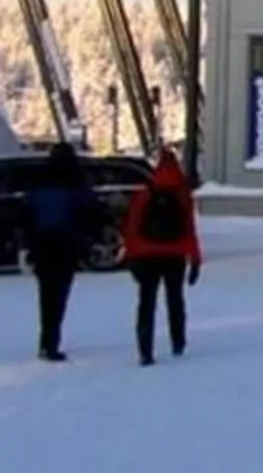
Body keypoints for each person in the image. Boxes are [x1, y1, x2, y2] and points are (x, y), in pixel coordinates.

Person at [121, 147, 202, 367]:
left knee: (146, 302)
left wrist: (131, 255)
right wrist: (195, 259)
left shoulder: (146, 193)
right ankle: (178, 341)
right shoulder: (182, 195)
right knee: (175, 299)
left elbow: (133, 227)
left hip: (147, 254)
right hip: (174, 254)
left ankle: (145, 349)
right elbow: (189, 230)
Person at [23, 141, 102, 363]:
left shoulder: (39, 180)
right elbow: (90, 211)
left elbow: (26, 213)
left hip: (42, 244)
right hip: (66, 243)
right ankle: (52, 340)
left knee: (45, 294)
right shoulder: (76, 181)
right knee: (59, 293)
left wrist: (28, 242)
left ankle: (46, 339)